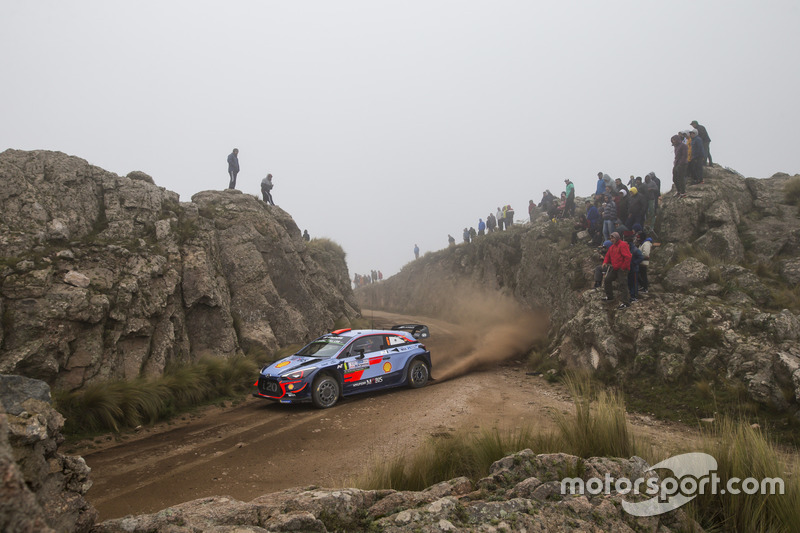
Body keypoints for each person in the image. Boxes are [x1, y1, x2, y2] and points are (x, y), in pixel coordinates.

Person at [602, 232, 632, 309]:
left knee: (623, 284)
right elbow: (608, 255)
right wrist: (605, 262)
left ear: (617, 238)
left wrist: (624, 267)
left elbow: (628, 257)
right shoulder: (612, 247)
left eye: (613, 238)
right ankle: (610, 297)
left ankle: (626, 303)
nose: (612, 240)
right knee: (607, 280)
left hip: (622, 268)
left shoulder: (622, 245)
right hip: (615, 268)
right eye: (611, 238)